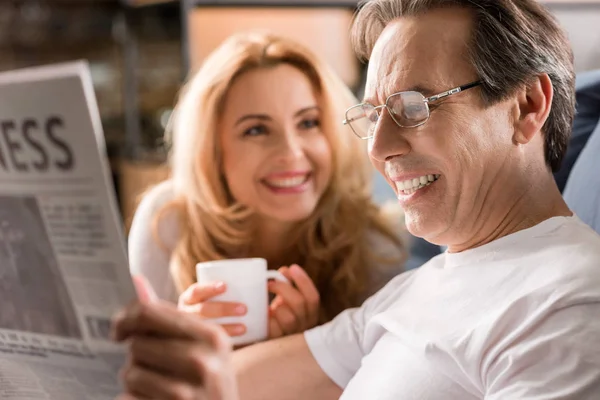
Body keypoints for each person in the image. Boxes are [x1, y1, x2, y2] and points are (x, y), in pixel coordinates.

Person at [112, 0, 600, 399]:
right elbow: (213, 384)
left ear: (527, 106)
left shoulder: (568, 304)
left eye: (414, 107)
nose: (378, 148)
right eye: (372, 115)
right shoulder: (415, 289)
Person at [127, 31, 405, 340]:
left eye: (308, 123)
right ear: (212, 150)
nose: (291, 153)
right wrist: (179, 347)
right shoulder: (167, 225)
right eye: (256, 130)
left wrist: (301, 351)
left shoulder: (375, 244)